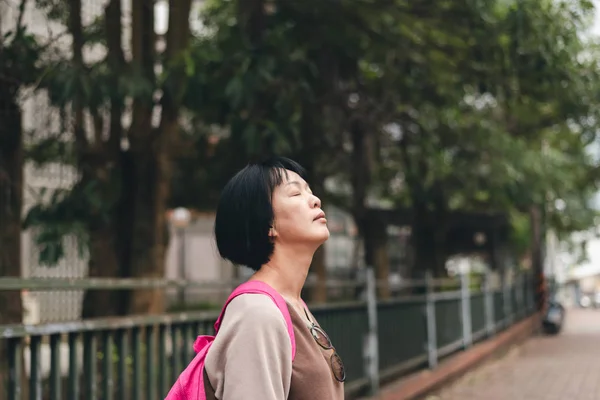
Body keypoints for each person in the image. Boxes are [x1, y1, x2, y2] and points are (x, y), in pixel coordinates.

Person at [204, 156, 345, 399]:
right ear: (268, 223)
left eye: (310, 191)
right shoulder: (257, 313)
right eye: (295, 194)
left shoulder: (294, 305)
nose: (314, 200)